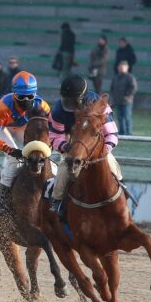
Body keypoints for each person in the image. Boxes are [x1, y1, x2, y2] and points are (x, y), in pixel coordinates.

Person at [46, 74, 120, 214]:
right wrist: (65, 146)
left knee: (111, 165)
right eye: (66, 100)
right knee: (64, 169)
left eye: (73, 101)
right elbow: (55, 137)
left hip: (97, 147)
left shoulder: (100, 105)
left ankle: (121, 191)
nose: (69, 105)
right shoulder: (58, 111)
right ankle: (57, 199)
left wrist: (106, 149)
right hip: (73, 145)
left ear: (82, 98)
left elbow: (111, 133)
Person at [0, 72, 50, 214]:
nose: (26, 101)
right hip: (3, 127)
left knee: (45, 158)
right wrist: (9, 149)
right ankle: (1, 198)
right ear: (14, 94)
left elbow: (51, 130)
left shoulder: (43, 106)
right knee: (14, 159)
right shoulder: (3, 106)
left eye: (30, 97)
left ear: (35, 94)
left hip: (25, 127)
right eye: (21, 97)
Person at [109, 61, 137, 135]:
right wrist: (113, 97)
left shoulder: (130, 77)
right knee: (120, 118)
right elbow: (112, 88)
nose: (121, 68)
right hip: (117, 101)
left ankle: (129, 133)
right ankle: (122, 133)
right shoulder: (115, 77)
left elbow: (133, 88)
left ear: (127, 68)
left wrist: (126, 95)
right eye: (120, 67)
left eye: (123, 67)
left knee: (127, 117)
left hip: (126, 101)